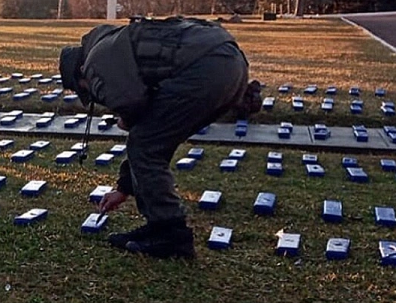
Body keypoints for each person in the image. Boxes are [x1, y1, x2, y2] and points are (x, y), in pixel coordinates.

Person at [59, 17, 258, 259]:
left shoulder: (95, 63)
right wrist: (123, 188)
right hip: (230, 63)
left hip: (206, 70)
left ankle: (171, 235)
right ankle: (160, 228)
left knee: (145, 145)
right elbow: (152, 127)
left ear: (80, 74)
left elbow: (134, 110)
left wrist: (126, 118)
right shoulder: (114, 42)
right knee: (150, 142)